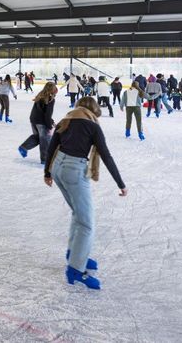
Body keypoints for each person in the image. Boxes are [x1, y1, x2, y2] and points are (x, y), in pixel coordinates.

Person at [44, 97, 127, 290]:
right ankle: (75, 268)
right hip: (73, 170)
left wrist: (47, 172)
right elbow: (105, 155)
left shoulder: (65, 120)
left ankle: (74, 252)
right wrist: (120, 183)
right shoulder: (92, 126)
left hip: (58, 168)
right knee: (87, 223)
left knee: (78, 213)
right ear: (93, 112)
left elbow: (51, 146)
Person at [18, 82, 57, 163]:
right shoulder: (50, 99)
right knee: (45, 140)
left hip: (34, 120)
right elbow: (47, 114)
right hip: (41, 122)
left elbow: (42, 112)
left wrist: (51, 121)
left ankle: (24, 147)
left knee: (38, 137)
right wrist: (49, 126)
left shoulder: (40, 96)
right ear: (52, 89)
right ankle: (45, 159)